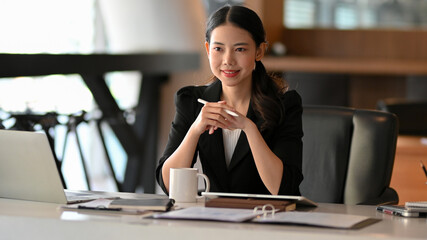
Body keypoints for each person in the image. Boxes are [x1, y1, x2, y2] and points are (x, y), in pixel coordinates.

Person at [156, 5, 303, 196]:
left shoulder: (285, 104)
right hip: (216, 219)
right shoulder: (191, 101)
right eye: (218, 48)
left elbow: (283, 189)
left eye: (240, 49)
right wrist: (195, 129)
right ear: (208, 49)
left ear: (259, 51)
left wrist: (249, 129)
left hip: (269, 219)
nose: (228, 60)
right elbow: (168, 185)